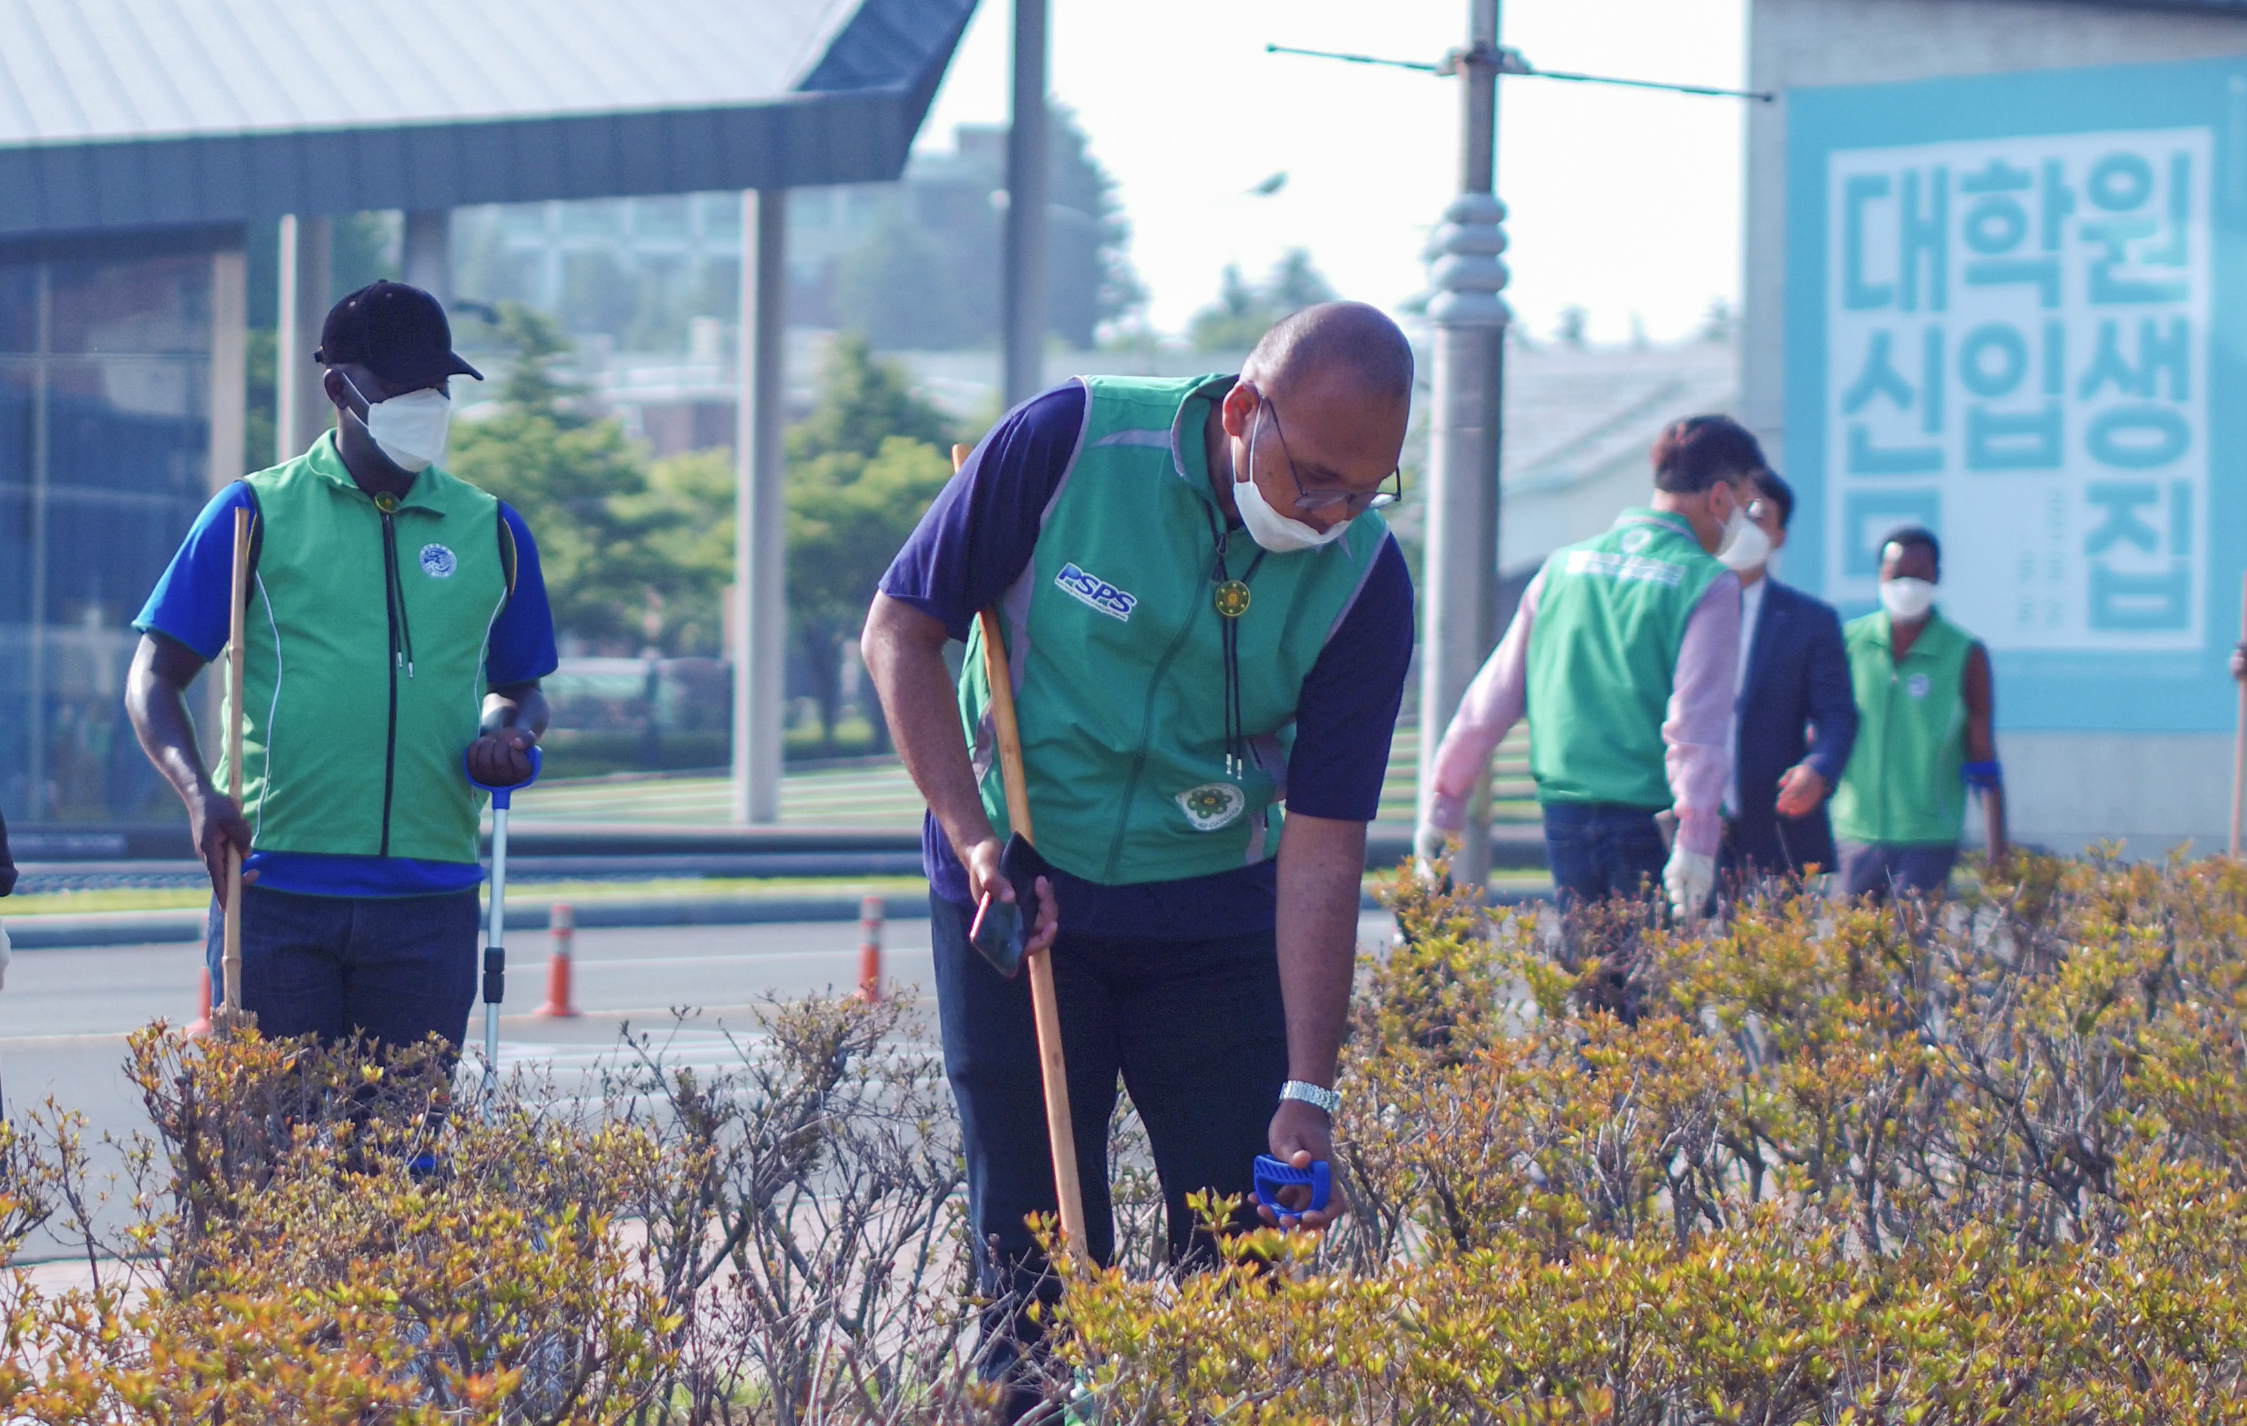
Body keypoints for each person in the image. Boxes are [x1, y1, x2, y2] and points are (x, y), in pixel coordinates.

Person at [861, 302, 1414, 1413]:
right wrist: (976, 840)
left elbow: (1324, 847)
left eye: (1367, 490)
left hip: (1214, 917)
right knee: (1036, 1257)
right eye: (1314, 479)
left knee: (1239, 1255)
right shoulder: (1068, 442)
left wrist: (1309, 1088)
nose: (1332, 513)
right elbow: (901, 631)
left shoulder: (1364, 580)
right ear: (1244, 410)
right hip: (1021, 890)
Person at [126, 281, 556, 1050]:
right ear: (340, 387)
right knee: (270, 1154)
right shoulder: (251, 512)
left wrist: (509, 731)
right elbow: (153, 675)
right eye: (402, 385)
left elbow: (519, 686)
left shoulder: (492, 530)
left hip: (432, 899)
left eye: (438, 385)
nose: (426, 401)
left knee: (407, 1156)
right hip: (277, 890)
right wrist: (198, 796)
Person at [1420, 414, 1763, 920]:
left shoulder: (1563, 566)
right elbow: (1696, 724)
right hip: (1651, 822)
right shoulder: (1707, 584)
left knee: (1589, 988)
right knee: (1646, 990)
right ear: (1718, 497)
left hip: (1563, 814)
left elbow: (1489, 701)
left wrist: (1445, 800)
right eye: (1746, 502)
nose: (1744, 517)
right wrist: (1697, 836)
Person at [1828, 526, 2005, 899]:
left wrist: (1997, 849)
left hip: (1928, 836)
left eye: (1918, 575)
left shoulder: (1963, 653)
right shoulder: (1848, 644)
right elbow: (1822, 733)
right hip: (1855, 832)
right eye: (1897, 575)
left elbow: (1983, 756)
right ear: (1880, 577)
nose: (1907, 585)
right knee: (1852, 952)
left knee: (1909, 949)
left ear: (1936, 577)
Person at [1719, 470, 1857, 884]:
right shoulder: (1676, 608)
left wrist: (1819, 768)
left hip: (1775, 821)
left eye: (1758, 516)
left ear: (1779, 535)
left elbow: (1837, 715)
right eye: (1735, 512)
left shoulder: (1809, 621)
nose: (1743, 525)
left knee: (1770, 946)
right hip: (1689, 822)